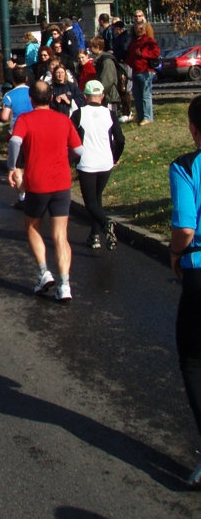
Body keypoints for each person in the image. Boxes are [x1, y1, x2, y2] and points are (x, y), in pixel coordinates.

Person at [7, 80, 83, 302]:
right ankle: (65, 285)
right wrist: (64, 159)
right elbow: (79, 149)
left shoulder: (25, 119)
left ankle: (44, 272)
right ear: (51, 97)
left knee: (32, 227)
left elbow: (14, 142)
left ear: (31, 99)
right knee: (61, 235)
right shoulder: (63, 119)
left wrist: (12, 167)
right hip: (61, 182)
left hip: (37, 183)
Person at [169, 95, 201, 487]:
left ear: (193, 129)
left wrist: (175, 255)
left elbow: (185, 227)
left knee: (193, 360)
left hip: (198, 269)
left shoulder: (185, 165)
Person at [71, 80, 125, 249]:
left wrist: (72, 157)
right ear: (102, 96)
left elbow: (70, 138)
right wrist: (115, 157)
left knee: (90, 202)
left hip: (86, 162)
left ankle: (105, 223)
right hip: (105, 162)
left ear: (85, 96)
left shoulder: (78, 114)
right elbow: (120, 139)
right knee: (97, 198)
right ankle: (94, 236)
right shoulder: (110, 114)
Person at [0, 66, 33, 209]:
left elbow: (5, 116)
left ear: (13, 81)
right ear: (26, 79)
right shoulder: (33, 91)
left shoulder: (9, 95)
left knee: (17, 167)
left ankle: (23, 197)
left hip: (17, 133)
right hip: (33, 131)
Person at [126, 13, 160, 125]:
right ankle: (140, 116)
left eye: (140, 28)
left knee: (146, 96)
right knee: (137, 96)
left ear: (144, 29)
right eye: (136, 28)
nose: (138, 30)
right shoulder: (133, 41)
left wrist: (143, 53)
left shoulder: (148, 40)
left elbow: (156, 53)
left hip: (145, 71)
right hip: (135, 71)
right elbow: (130, 55)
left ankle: (148, 117)